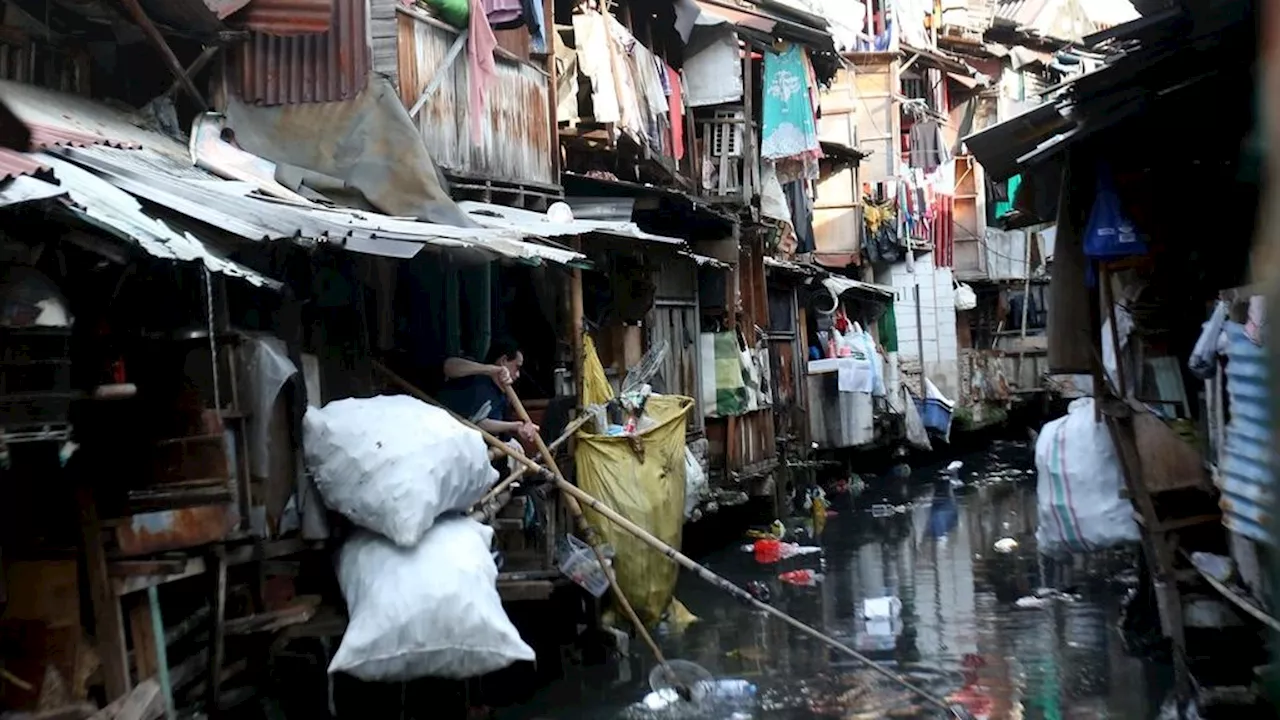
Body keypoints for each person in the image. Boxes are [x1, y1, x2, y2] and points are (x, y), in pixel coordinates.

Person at [437, 337, 539, 445]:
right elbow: (448, 366)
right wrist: (493, 370)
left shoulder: (502, 397)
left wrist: (515, 426)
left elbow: (480, 423)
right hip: (441, 435)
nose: (518, 375)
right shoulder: (474, 375)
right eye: (517, 367)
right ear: (503, 361)